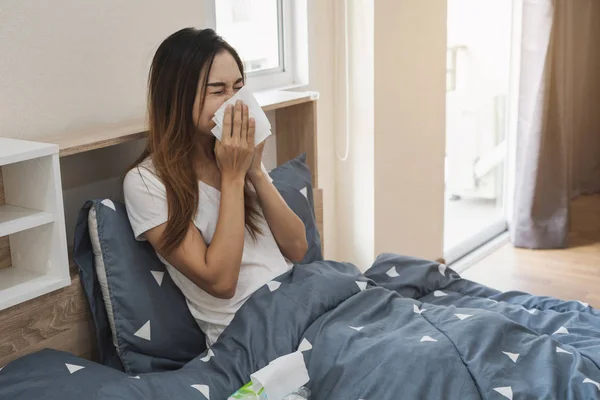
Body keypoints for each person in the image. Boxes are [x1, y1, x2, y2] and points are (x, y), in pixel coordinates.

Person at [123, 28, 308, 347]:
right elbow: (221, 282)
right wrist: (233, 178)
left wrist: (256, 173)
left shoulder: (232, 149)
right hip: (250, 332)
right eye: (218, 90)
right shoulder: (145, 183)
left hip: (301, 301)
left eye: (238, 87)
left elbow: (298, 248)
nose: (234, 102)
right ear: (177, 97)